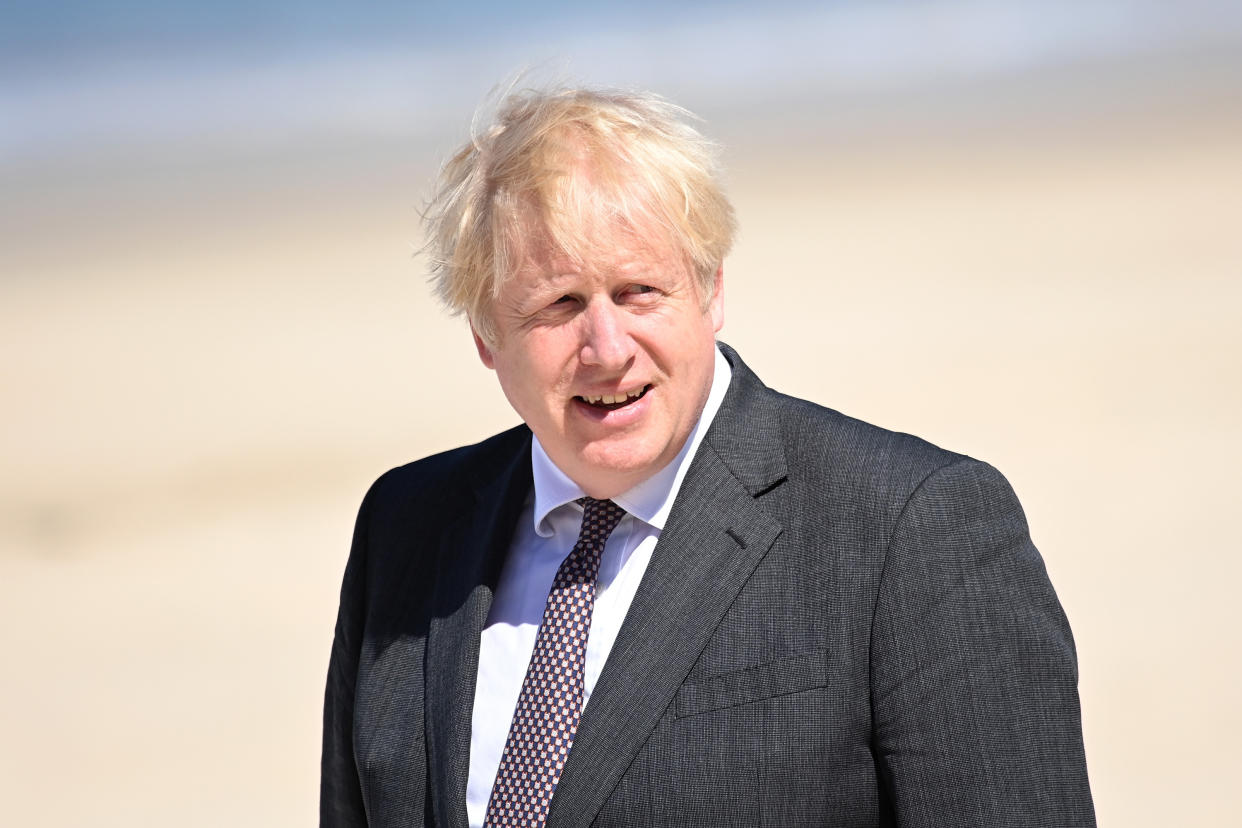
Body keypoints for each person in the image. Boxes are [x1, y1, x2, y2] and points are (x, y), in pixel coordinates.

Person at [321, 86, 1095, 828]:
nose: (607, 349)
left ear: (711, 290)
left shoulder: (913, 527)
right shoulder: (407, 526)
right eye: (559, 305)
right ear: (486, 336)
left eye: (639, 292)